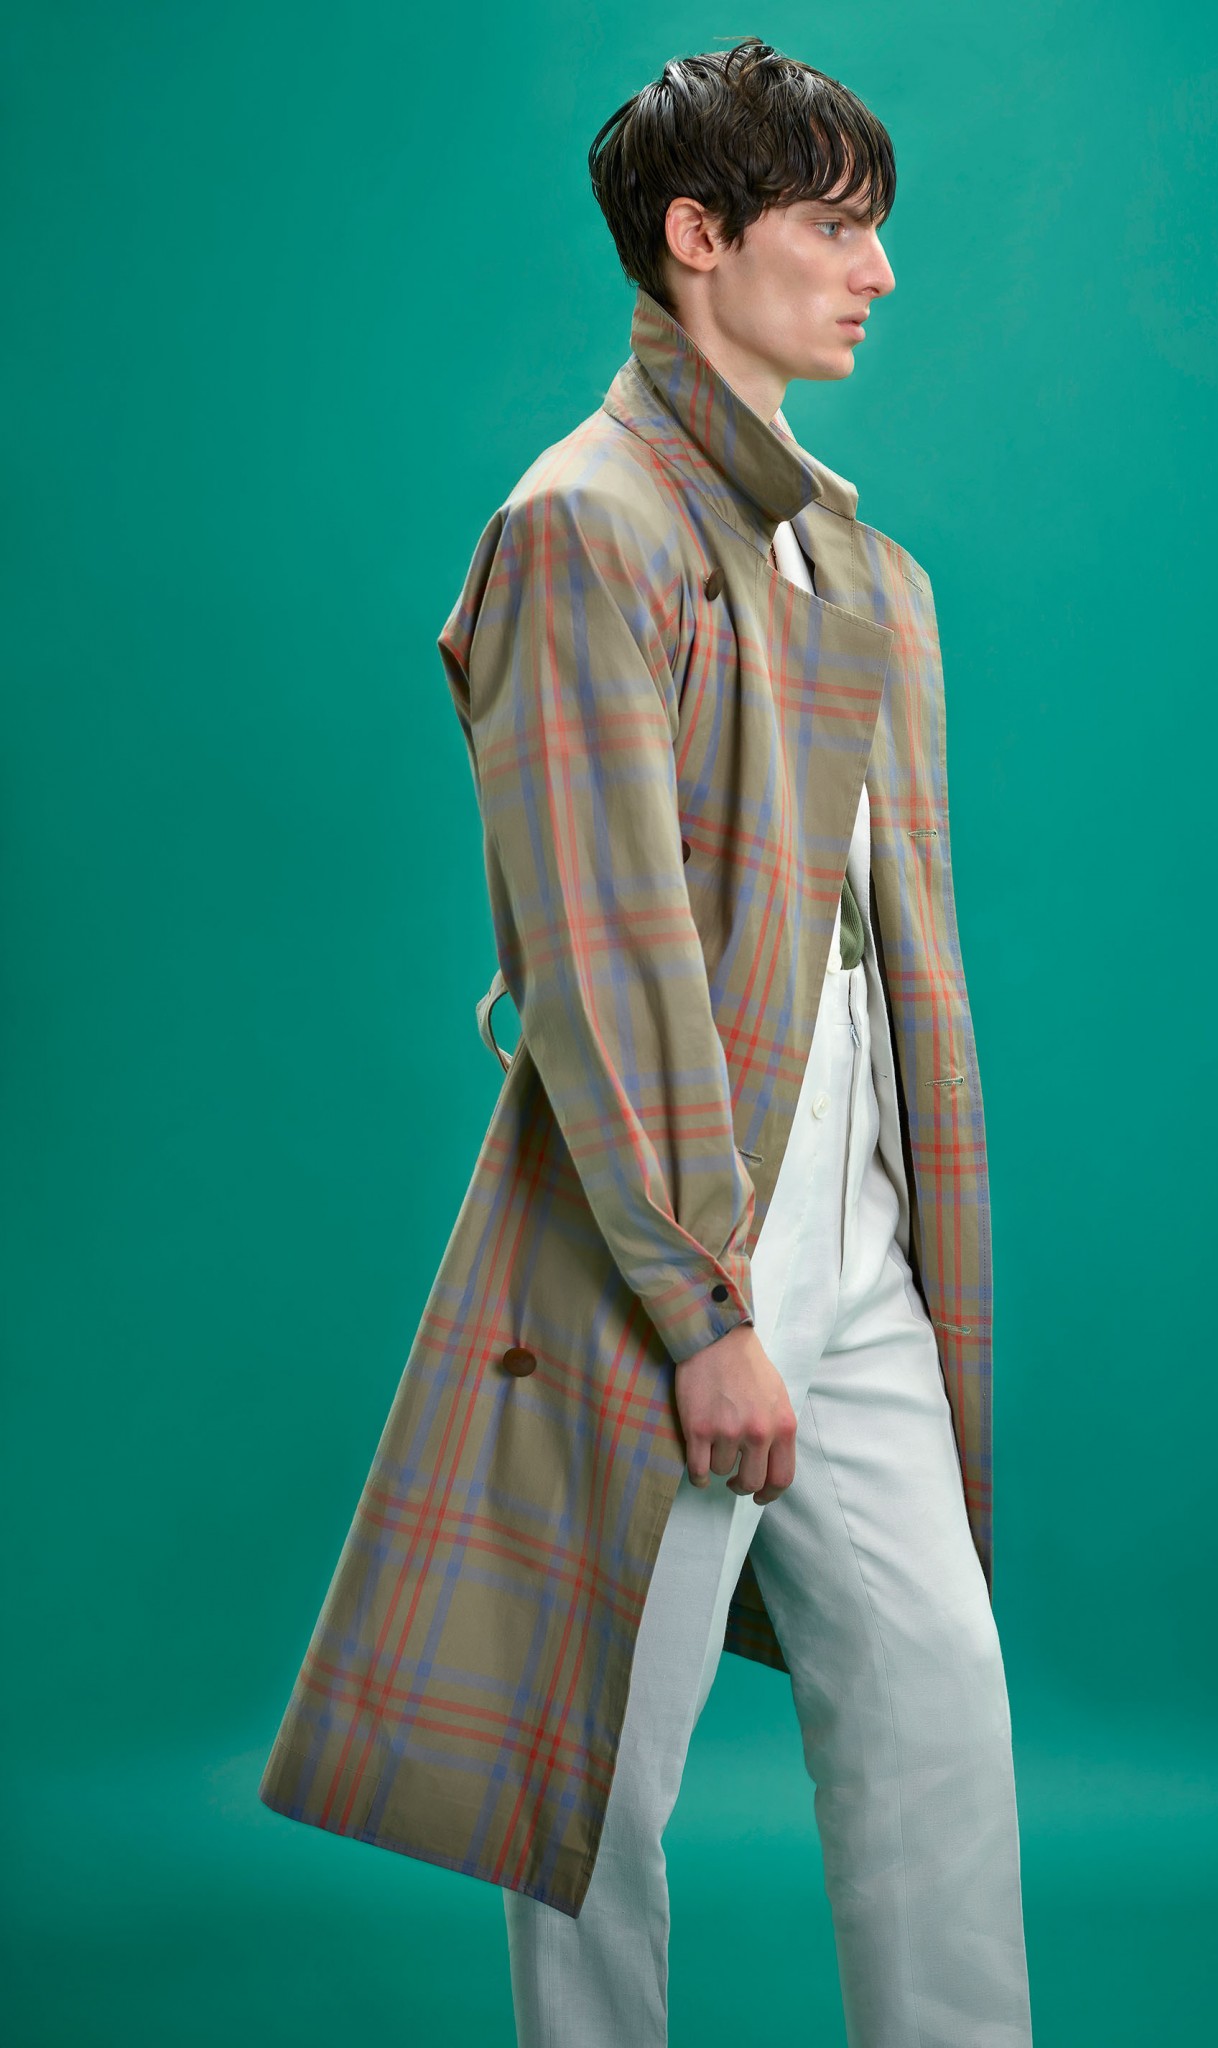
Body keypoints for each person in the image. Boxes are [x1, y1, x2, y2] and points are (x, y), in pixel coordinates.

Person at [258, 35, 1032, 2047]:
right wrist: (703, 1305)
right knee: (598, 1762)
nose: (877, 274)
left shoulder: (858, 566)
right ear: (699, 237)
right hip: (673, 1244)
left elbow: (879, 953)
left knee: (940, 1703)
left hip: (860, 1234)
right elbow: (602, 957)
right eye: (833, 230)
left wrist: (859, 1249)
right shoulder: (580, 525)